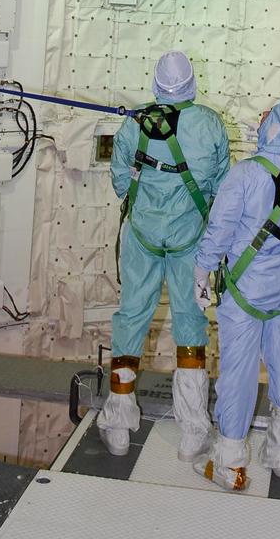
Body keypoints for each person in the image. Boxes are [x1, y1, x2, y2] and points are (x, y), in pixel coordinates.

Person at [98, 51, 229, 462]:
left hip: (142, 236)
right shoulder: (209, 124)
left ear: (156, 85)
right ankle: (193, 428)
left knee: (132, 315)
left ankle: (119, 421)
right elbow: (221, 186)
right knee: (190, 320)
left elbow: (121, 181)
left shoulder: (132, 125)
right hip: (191, 239)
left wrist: (148, 204)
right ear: (192, 85)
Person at [193, 100, 280, 491]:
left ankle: (230, 464)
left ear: (276, 130)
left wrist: (202, 271)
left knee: (239, 374)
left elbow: (220, 231)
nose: (260, 120)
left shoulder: (245, 175)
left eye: (267, 117)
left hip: (245, 292)